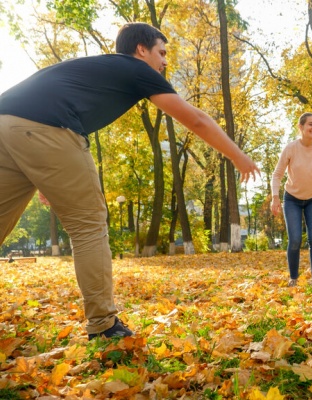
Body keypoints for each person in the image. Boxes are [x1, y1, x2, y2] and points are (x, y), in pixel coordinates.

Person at [0, 22, 260, 339]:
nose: (165, 62)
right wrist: (237, 156)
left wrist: (41, 174)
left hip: (6, 122)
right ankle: (104, 325)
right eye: (161, 53)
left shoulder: (99, 69)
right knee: (88, 223)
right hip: (46, 127)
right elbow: (196, 119)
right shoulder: (135, 69)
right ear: (141, 50)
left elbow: (35, 107)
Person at [271, 113, 312, 287]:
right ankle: (293, 278)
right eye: (310, 124)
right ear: (300, 127)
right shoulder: (291, 148)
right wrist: (275, 197)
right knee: (294, 240)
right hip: (292, 198)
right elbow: (277, 174)